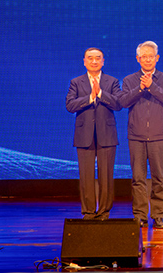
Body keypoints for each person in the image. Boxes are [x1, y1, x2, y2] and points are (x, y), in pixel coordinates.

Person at [119, 41, 163, 229]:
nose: (148, 60)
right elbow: (124, 102)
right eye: (144, 57)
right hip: (136, 136)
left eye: (151, 56)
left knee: (159, 178)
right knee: (138, 178)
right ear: (138, 59)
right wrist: (141, 88)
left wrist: (152, 86)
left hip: (159, 136)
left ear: (157, 58)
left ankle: (158, 216)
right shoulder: (129, 80)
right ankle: (140, 215)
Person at [65, 47, 122, 220]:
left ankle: (104, 211)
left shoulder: (112, 81)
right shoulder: (76, 82)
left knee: (106, 175)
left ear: (103, 61)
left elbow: (118, 104)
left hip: (107, 134)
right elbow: (70, 105)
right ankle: (89, 211)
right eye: (90, 58)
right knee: (86, 176)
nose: (94, 61)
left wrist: (101, 94)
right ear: (84, 61)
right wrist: (90, 97)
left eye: (98, 58)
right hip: (84, 135)